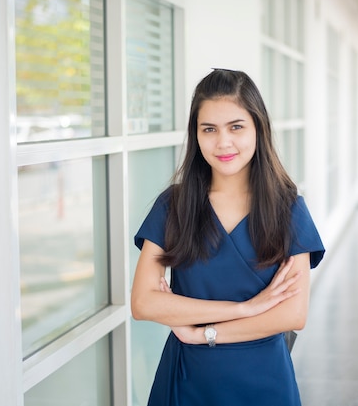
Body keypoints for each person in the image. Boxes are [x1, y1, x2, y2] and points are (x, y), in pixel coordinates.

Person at [131, 69, 325, 406]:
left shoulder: (288, 209)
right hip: (187, 379)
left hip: (263, 380)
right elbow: (143, 303)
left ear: (257, 128)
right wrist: (246, 308)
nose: (223, 142)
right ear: (196, 135)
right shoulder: (174, 205)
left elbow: (293, 315)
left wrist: (203, 333)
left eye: (236, 127)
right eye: (209, 129)